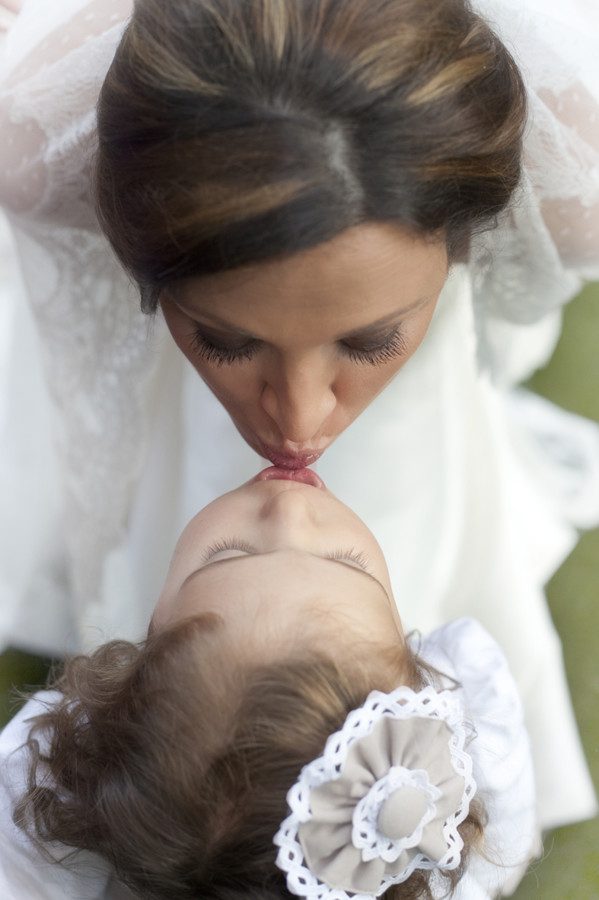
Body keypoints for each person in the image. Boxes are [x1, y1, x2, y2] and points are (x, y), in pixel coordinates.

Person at [0, 0, 597, 830]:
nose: (298, 424)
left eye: (367, 341)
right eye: (224, 339)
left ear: (466, 238)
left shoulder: (578, 183)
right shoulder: (33, 140)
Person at [0, 468, 537, 900]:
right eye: (349, 565)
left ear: (147, 645)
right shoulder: (478, 738)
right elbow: (503, 828)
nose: (289, 508)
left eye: (230, 554)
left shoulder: (54, 781)